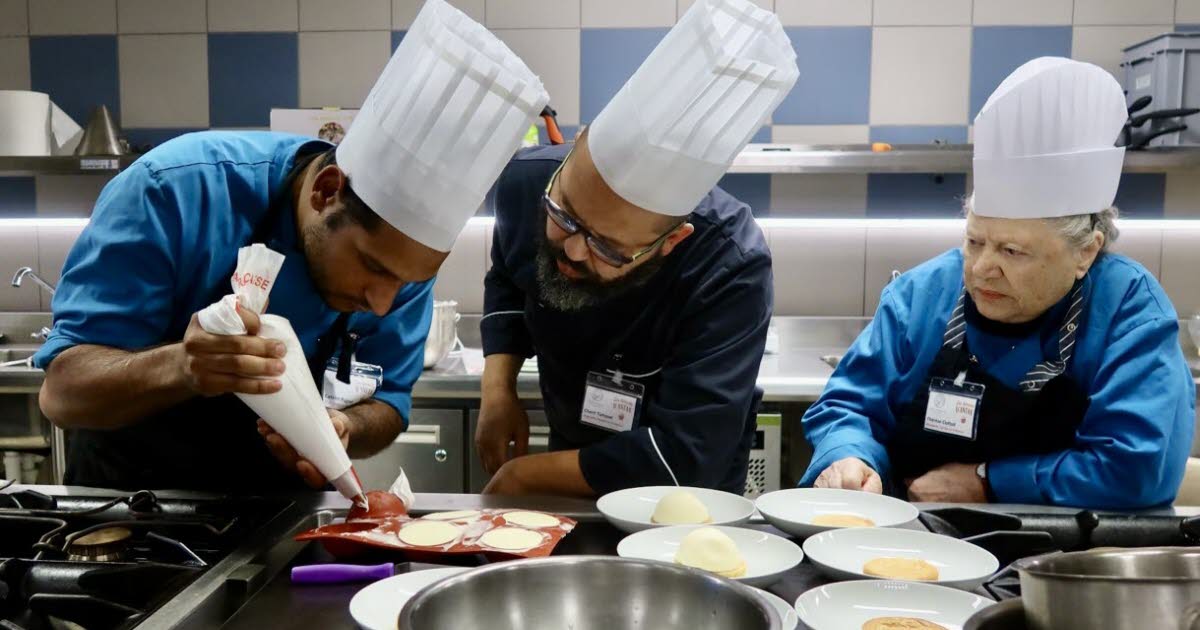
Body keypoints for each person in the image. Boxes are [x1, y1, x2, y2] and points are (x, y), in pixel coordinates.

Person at [33, 0, 548, 493]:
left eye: (408, 282)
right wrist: (182, 367)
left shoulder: (404, 265)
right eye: (372, 268)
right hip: (136, 515)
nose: (384, 303)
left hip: (278, 521)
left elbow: (389, 404)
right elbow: (62, 393)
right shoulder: (174, 191)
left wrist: (345, 427)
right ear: (327, 191)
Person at [799, 57, 1194, 509]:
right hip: (913, 543)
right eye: (975, 241)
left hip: (1069, 558)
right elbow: (847, 408)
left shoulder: (1129, 310)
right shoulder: (921, 295)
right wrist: (849, 456)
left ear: (1085, 252)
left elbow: (1137, 468)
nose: (983, 268)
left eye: (1012, 251)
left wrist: (988, 481)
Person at [475, 0, 799, 497]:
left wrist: (527, 475)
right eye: (565, 217)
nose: (576, 252)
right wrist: (498, 391)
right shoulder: (526, 185)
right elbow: (509, 277)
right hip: (573, 458)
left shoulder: (732, 265)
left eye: (607, 247)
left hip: (681, 498)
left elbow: (688, 457)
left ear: (671, 242)